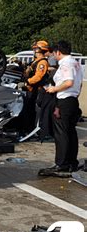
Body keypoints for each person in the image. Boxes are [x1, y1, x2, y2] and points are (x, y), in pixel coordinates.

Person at [39, 40, 84, 176]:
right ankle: (71, 162)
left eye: (54, 53)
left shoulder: (65, 63)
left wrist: (54, 89)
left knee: (61, 133)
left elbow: (68, 82)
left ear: (58, 52)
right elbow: (79, 84)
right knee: (70, 132)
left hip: (64, 100)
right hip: (72, 100)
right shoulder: (76, 63)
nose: (53, 55)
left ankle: (61, 164)